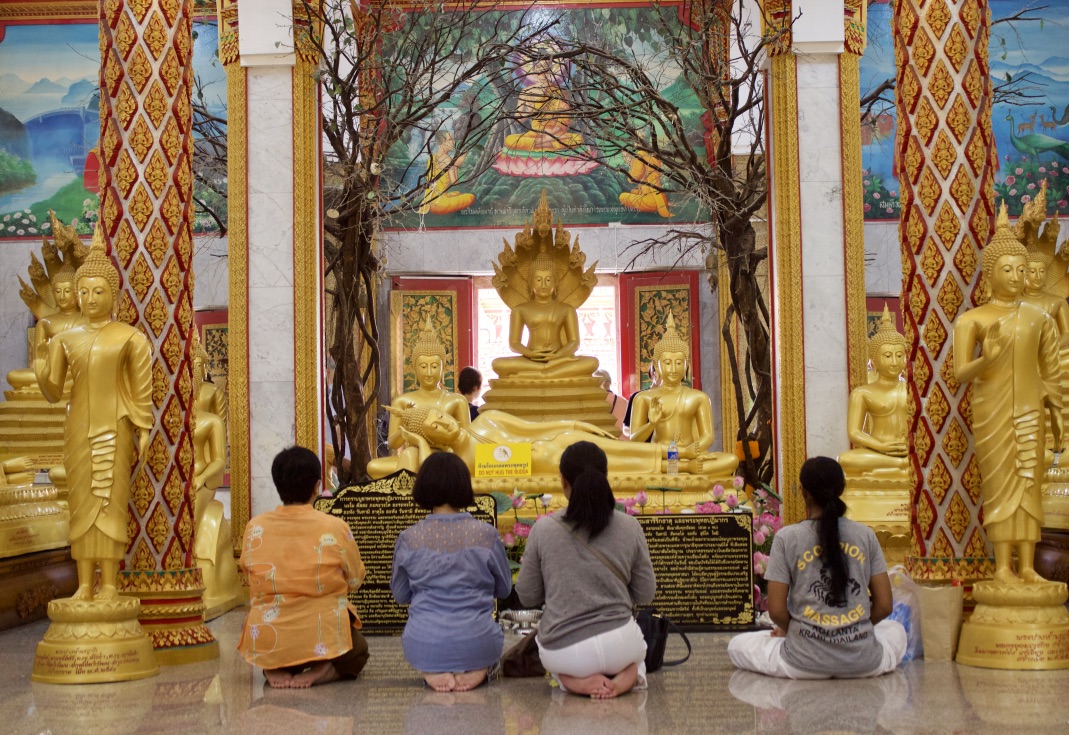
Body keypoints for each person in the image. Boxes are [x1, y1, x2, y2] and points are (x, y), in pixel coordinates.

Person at [37, 232, 152, 602]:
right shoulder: (64, 340)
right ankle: (85, 583)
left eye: (97, 291)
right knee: (82, 503)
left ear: (113, 294)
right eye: (83, 292)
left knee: (110, 501)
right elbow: (54, 392)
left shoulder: (129, 337)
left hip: (115, 428)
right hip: (76, 430)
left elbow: (141, 387)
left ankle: (110, 584)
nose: (89, 299)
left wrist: (144, 426)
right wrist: (41, 368)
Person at [953, 203, 1063, 584]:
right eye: (1008, 270)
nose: (1016, 277)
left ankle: (1028, 566)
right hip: (992, 413)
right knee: (1000, 486)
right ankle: (1002, 567)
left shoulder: (1041, 318)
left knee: (1029, 484)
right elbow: (960, 372)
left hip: (1031, 411)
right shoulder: (973, 319)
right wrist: (988, 359)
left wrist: (1057, 414)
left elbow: (1053, 371)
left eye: (1021, 270)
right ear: (990, 275)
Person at [727, 457, 906, 679]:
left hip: (802, 662)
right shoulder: (865, 535)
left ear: (804, 492)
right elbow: (885, 606)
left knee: (738, 644)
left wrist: (794, 631)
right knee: (895, 630)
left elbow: (776, 611)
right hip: (863, 661)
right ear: (842, 489)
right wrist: (854, 631)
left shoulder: (786, 538)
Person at [516, 442, 656, 698]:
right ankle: (628, 675)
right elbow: (646, 594)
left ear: (563, 481)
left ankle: (571, 680)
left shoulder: (544, 530)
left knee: (550, 655)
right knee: (637, 655)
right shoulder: (629, 526)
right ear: (605, 478)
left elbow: (527, 596)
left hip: (567, 653)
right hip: (621, 645)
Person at [238, 446, 369, 688]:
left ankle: (273, 667)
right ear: (317, 486)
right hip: (322, 633)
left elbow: (248, 573)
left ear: (278, 485)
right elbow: (354, 580)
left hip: (269, 633)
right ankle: (325, 669)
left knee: (282, 640)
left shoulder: (255, 527)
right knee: (358, 649)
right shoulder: (334, 527)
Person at [391, 452, 512, 692]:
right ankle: (479, 668)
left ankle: (433, 669)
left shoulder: (409, 538)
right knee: (484, 643)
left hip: (424, 642)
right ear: (464, 486)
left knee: (428, 645)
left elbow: (401, 595)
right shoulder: (485, 535)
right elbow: (505, 589)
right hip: (479, 640)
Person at [367, 405, 737, 479]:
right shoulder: (457, 462)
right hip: (554, 466)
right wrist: (415, 438)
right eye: (436, 427)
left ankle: (682, 456)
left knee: (630, 450)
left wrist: (577, 422)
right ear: (432, 438)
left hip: (559, 442)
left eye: (442, 416)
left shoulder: (490, 418)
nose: (444, 423)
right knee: (622, 466)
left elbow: (533, 426)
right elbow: (425, 472)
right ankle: (683, 467)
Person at [837, 307, 909, 479]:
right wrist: (881, 446)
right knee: (845, 459)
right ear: (874, 359)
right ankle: (900, 466)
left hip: (907, 450)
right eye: (887, 356)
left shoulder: (910, 390)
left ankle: (898, 466)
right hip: (878, 451)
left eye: (899, 356)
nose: (894, 362)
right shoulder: (862, 393)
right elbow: (854, 432)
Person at [385, 317, 471, 451]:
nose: (429, 373)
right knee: (374, 466)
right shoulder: (402, 401)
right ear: (414, 369)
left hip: (446, 458)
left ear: (443, 369)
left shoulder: (457, 401)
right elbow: (393, 444)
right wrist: (406, 427)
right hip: (414, 457)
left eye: (435, 366)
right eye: (423, 367)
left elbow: (467, 441)